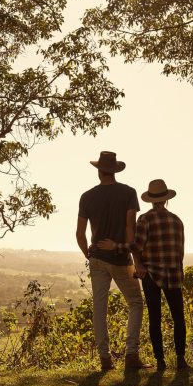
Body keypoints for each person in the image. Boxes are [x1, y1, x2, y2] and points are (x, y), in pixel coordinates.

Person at [99, 179, 188, 371]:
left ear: (151, 200)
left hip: (151, 275)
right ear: (166, 200)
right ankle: (181, 359)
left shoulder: (145, 219)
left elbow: (137, 245)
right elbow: (180, 252)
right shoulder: (177, 220)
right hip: (174, 274)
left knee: (155, 318)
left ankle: (160, 361)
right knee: (178, 318)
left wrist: (116, 246)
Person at [76, 151, 150, 371]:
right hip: (120, 258)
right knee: (136, 302)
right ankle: (131, 355)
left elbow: (80, 234)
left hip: (97, 258)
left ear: (99, 171)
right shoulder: (128, 193)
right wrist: (135, 258)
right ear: (115, 171)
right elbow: (130, 228)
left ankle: (105, 360)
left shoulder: (87, 196)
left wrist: (88, 255)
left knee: (99, 308)